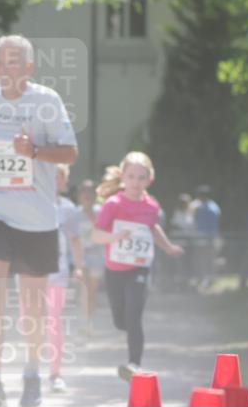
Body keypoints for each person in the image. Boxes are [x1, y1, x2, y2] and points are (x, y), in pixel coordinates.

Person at [0, 35, 79, 407]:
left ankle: (31, 373)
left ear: (28, 67)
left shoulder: (47, 101)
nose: (3, 67)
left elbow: (71, 152)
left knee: (33, 303)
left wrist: (36, 151)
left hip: (37, 217)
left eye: (12, 61)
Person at [92, 152, 183, 380]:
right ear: (123, 177)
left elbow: (153, 228)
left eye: (141, 177)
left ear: (149, 180)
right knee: (120, 320)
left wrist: (168, 247)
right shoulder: (113, 205)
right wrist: (115, 236)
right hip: (115, 270)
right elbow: (96, 235)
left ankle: (134, 364)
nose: (136, 182)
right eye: (131, 176)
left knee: (134, 314)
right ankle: (127, 328)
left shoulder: (151, 206)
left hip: (139, 268)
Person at [45, 165, 83, 392]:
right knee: (29, 321)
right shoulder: (29, 203)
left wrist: (78, 267)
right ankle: (31, 369)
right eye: (50, 174)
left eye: (59, 176)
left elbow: (75, 239)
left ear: (64, 181)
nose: (54, 179)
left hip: (58, 273)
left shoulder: (68, 209)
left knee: (54, 322)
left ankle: (54, 374)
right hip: (29, 272)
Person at [76, 179, 105, 331]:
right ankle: (83, 322)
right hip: (82, 258)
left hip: (98, 256)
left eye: (90, 192)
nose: (86, 195)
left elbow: (105, 231)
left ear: (95, 194)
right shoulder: (75, 213)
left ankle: (89, 321)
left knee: (93, 291)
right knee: (84, 290)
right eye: (84, 191)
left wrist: (92, 216)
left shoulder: (101, 211)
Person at [190, 184, 221, 291]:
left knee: (203, 259)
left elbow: (195, 221)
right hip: (210, 237)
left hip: (203, 238)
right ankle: (208, 279)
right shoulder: (214, 206)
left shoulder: (202, 208)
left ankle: (205, 279)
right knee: (208, 259)